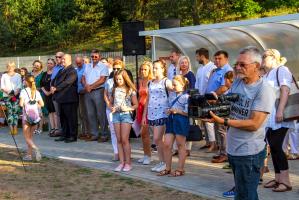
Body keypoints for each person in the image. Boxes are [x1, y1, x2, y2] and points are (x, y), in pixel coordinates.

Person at [205, 46, 275, 200]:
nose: (237, 68)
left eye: (243, 64)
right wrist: (214, 110)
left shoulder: (264, 90)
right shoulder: (238, 82)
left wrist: (224, 121)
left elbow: (254, 124)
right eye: (237, 64)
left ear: (256, 66)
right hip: (234, 149)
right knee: (241, 193)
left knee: (246, 195)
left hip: (249, 152)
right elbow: (231, 105)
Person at [262, 49, 294, 192]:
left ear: (274, 58)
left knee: (277, 146)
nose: (262, 59)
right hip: (270, 117)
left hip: (278, 115)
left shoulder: (282, 70)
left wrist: (280, 110)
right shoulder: (268, 73)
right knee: (273, 147)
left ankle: (286, 182)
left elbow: (285, 90)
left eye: (265, 56)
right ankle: (278, 179)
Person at [142, 59, 172, 173]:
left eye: (157, 68)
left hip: (162, 114)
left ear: (163, 69)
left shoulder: (166, 82)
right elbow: (148, 99)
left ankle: (164, 163)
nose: (154, 70)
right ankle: (161, 162)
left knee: (157, 138)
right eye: (153, 68)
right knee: (157, 140)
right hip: (151, 114)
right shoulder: (150, 82)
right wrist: (145, 115)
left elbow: (175, 91)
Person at [158, 75, 190, 177]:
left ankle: (180, 169)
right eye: (173, 84)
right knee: (167, 144)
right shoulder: (172, 95)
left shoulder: (187, 97)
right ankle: (168, 168)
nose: (173, 86)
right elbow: (169, 106)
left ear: (183, 85)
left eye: (175, 84)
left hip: (181, 121)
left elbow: (187, 112)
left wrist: (176, 111)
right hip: (171, 120)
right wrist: (169, 111)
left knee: (181, 145)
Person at [206, 50, 233, 162]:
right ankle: (221, 151)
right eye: (215, 58)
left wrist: (214, 96)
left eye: (219, 58)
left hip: (222, 102)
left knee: (222, 129)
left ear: (226, 59)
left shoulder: (227, 70)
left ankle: (225, 153)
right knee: (217, 127)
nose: (217, 60)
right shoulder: (215, 70)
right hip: (214, 102)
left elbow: (224, 87)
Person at [110, 70, 138, 172]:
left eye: (120, 79)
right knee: (119, 140)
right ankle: (121, 163)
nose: (118, 81)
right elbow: (111, 102)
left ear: (125, 78)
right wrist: (112, 107)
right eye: (116, 79)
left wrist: (128, 108)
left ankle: (128, 163)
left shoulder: (130, 90)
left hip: (126, 115)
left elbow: (136, 104)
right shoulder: (114, 89)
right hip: (116, 115)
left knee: (125, 139)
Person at [82, 49, 109, 142]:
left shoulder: (103, 67)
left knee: (100, 113)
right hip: (88, 92)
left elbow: (102, 80)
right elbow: (83, 77)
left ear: (99, 57)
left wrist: (91, 87)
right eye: (92, 56)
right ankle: (94, 134)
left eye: (96, 56)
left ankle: (104, 134)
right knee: (90, 113)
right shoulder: (87, 66)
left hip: (98, 91)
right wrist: (86, 85)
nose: (94, 58)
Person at [51, 54, 78, 143]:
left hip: (69, 98)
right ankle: (64, 134)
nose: (62, 60)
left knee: (71, 118)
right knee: (63, 118)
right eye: (62, 59)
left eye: (64, 59)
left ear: (70, 60)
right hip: (61, 98)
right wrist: (52, 86)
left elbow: (67, 82)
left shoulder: (72, 70)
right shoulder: (61, 70)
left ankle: (72, 136)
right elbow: (55, 80)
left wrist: (56, 88)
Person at [195, 48, 217, 150]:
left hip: (209, 98)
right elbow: (197, 84)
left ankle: (213, 143)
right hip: (200, 97)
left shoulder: (213, 67)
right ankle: (208, 141)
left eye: (197, 56)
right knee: (203, 120)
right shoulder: (200, 69)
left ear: (202, 56)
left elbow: (213, 84)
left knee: (209, 121)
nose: (196, 58)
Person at [19, 75, 44, 161]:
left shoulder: (23, 91)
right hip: (35, 116)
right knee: (30, 137)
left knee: (27, 137)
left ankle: (35, 149)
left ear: (26, 82)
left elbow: (21, 104)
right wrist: (35, 104)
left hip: (27, 116)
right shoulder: (36, 92)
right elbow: (42, 104)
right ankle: (29, 155)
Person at [104, 61, 124, 161]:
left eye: (118, 68)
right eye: (114, 68)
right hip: (110, 110)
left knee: (122, 132)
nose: (116, 70)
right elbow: (105, 94)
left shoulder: (124, 80)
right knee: (113, 131)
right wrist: (109, 105)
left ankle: (124, 152)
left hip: (123, 111)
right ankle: (116, 152)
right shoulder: (109, 81)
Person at [137, 61, 154, 165]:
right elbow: (139, 95)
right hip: (140, 108)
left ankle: (149, 156)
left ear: (149, 70)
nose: (143, 71)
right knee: (143, 134)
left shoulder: (151, 81)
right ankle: (145, 155)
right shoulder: (141, 80)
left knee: (145, 133)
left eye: (145, 69)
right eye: (142, 69)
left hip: (148, 109)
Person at [0, 62, 22, 135]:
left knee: (15, 112)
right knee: (9, 112)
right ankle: (11, 128)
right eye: (9, 66)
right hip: (7, 96)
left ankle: (15, 128)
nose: (10, 68)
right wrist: (9, 93)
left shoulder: (18, 75)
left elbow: (19, 85)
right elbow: (2, 87)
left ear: (14, 67)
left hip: (15, 96)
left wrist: (14, 93)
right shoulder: (4, 75)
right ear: (7, 67)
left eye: (12, 66)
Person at [41, 58, 59, 136]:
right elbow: (41, 84)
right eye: (48, 63)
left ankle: (56, 128)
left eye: (51, 63)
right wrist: (46, 92)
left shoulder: (56, 73)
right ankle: (52, 128)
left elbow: (56, 84)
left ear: (54, 64)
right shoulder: (44, 73)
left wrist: (50, 92)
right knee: (50, 112)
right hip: (46, 95)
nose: (49, 65)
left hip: (54, 94)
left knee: (55, 112)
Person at [75, 56, 91, 140]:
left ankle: (89, 132)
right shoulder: (76, 69)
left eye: (79, 63)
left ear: (83, 62)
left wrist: (85, 89)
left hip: (85, 93)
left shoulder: (87, 68)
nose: (78, 64)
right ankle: (84, 131)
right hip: (78, 94)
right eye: (76, 63)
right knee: (81, 114)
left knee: (87, 113)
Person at [50, 52, 64, 136]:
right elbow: (52, 80)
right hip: (54, 93)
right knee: (57, 113)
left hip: (62, 93)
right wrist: (51, 87)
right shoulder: (55, 68)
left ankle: (63, 130)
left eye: (59, 57)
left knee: (63, 113)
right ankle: (58, 130)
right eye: (56, 57)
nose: (57, 58)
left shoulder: (65, 68)